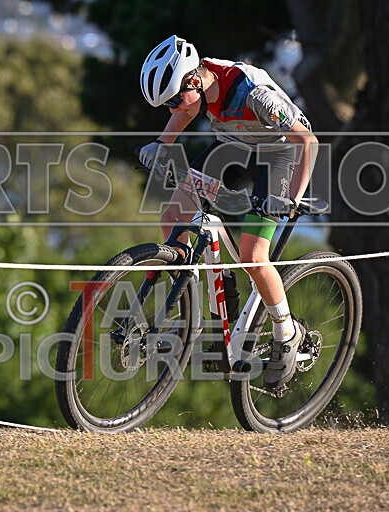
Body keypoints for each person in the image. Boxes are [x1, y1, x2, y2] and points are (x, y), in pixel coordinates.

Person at [138, 35, 318, 389]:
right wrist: (162, 145)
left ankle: (287, 331)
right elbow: (187, 109)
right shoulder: (197, 86)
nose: (173, 108)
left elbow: (307, 142)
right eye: (166, 105)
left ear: (194, 79)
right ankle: (187, 302)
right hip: (233, 147)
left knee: (253, 255)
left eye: (174, 98)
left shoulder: (253, 94)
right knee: (171, 218)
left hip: (280, 157)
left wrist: (291, 198)